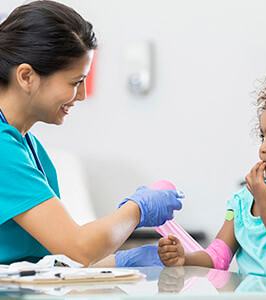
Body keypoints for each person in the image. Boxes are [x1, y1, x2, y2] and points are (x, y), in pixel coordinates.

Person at [0, 0, 183, 266]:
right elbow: (79, 248)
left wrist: (122, 262)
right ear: (27, 76)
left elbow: (54, 260)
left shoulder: (29, 146)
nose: (82, 96)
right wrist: (137, 209)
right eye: (75, 82)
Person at [158, 60, 266, 282]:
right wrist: (185, 258)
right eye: (262, 136)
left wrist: (265, 207)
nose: (263, 147)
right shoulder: (243, 201)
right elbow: (218, 257)